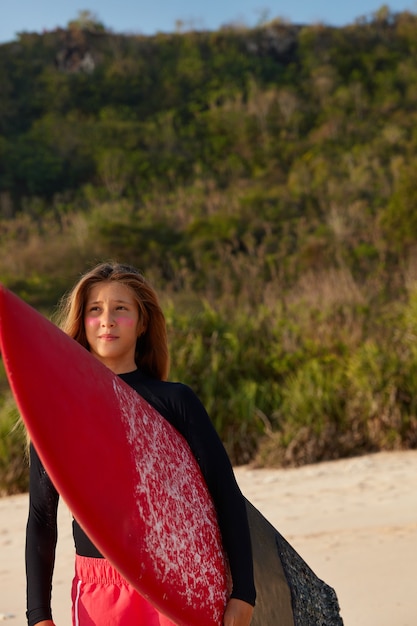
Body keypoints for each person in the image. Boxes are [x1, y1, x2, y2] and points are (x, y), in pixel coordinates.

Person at [26, 262, 256, 626]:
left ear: (143, 322)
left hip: (176, 582)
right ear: (82, 322)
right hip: (100, 589)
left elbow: (224, 493)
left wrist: (244, 592)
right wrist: (38, 614)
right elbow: (41, 516)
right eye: (95, 310)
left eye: (122, 309)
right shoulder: (59, 413)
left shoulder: (175, 401)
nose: (107, 320)